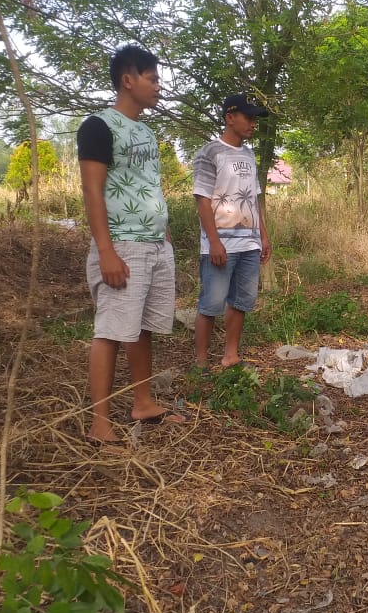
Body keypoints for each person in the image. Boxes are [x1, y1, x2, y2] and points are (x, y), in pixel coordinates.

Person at [77, 44, 185, 446]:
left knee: (142, 329)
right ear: (128, 79)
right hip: (122, 245)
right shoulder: (98, 126)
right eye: (152, 79)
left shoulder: (146, 130)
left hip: (155, 244)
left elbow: (148, 186)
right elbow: (92, 191)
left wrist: (165, 232)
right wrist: (106, 250)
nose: (159, 87)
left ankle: (143, 402)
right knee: (110, 329)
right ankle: (99, 421)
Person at [192, 93, 272, 369]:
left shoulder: (249, 154)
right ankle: (201, 363)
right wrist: (213, 242)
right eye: (248, 117)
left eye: (254, 118)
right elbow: (203, 199)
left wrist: (263, 235)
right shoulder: (209, 152)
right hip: (221, 244)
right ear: (229, 118)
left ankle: (231, 355)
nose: (253, 123)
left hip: (249, 244)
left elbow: (254, 198)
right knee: (210, 304)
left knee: (240, 302)